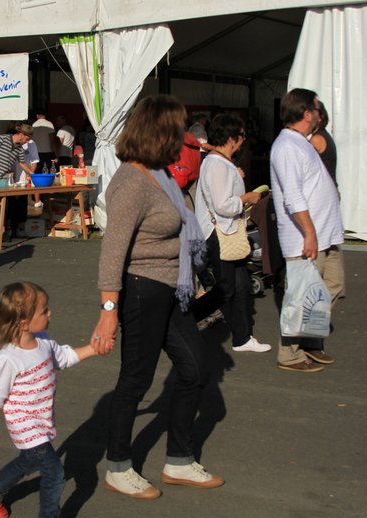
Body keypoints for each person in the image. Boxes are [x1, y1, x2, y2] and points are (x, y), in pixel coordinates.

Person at [90, 95, 223, 499]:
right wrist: (108, 311)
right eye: (178, 129)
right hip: (143, 289)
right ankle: (118, 466)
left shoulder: (161, 175)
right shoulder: (131, 181)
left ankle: (179, 461)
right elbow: (113, 250)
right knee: (136, 379)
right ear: (160, 132)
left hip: (171, 288)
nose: (185, 137)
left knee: (196, 369)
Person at [0, 281, 103, 518]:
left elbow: (63, 358)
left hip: (42, 420)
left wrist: (93, 349)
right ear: (23, 322)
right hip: (25, 424)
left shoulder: (43, 341)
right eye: (44, 310)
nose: (50, 313)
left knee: (29, 460)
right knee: (55, 474)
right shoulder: (8, 359)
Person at [270, 88, 345, 373]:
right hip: (306, 237)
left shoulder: (301, 142)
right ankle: (289, 354)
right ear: (306, 114)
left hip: (326, 234)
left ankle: (311, 341)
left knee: (332, 287)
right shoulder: (287, 146)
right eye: (316, 108)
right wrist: (310, 233)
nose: (319, 113)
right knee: (302, 296)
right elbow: (293, 195)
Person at [191, 114, 271, 353]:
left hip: (222, 231)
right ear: (232, 138)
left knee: (240, 285)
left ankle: (242, 338)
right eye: (242, 136)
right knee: (228, 288)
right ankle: (183, 318)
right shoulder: (216, 164)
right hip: (219, 232)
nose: (244, 141)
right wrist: (248, 198)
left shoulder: (219, 163)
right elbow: (222, 205)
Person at [0, 124, 34, 238]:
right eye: (27, 139)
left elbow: (22, 163)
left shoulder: (20, 148)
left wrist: (33, 174)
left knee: (8, 203)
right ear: (21, 134)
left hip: (4, 179)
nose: (27, 142)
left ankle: (7, 229)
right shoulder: (3, 138)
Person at [310, 100, 338, 188]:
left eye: (312, 111)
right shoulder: (323, 135)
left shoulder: (317, 139)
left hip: (323, 190)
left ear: (320, 117)